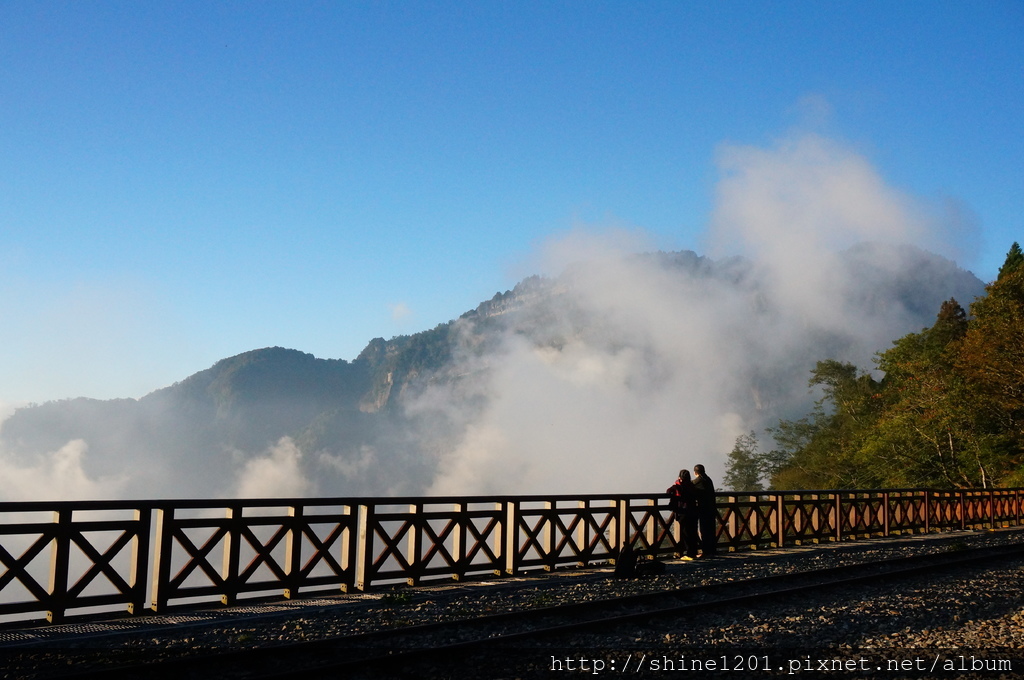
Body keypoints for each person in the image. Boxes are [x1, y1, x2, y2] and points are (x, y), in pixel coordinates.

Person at [666, 469, 699, 560]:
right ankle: (693, 552)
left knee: (686, 533)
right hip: (693, 511)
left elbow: (668, 491)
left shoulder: (678, 487)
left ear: (680, 478)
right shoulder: (692, 486)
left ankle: (689, 553)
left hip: (683, 511)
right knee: (692, 532)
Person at [692, 464, 717, 558]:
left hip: (704, 509)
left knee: (704, 531)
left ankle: (706, 552)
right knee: (711, 530)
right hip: (711, 508)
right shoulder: (708, 479)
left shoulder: (699, 480)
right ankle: (712, 550)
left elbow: (689, 485)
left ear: (695, 472)